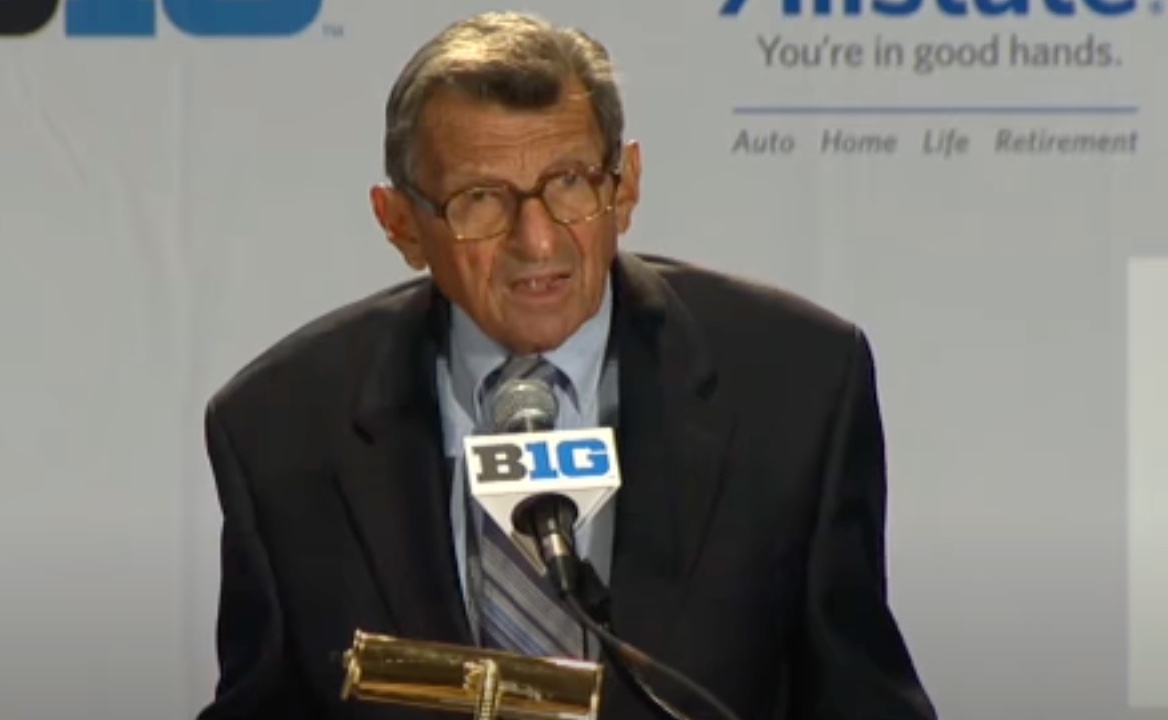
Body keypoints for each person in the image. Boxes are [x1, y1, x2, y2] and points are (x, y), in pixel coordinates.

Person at [196, 10, 937, 720]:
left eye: (570, 185)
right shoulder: (281, 431)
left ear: (627, 186)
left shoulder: (796, 385)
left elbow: (860, 698)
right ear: (400, 224)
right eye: (480, 199)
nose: (538, 242)